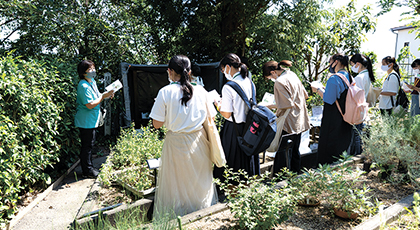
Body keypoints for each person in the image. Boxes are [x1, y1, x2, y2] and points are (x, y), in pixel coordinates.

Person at [150, 55, 217, 220]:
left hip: (175, 143)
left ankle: (177, 218)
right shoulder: (201, 90)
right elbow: (212, 118)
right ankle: (202, 216)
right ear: (190, 71)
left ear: (170, 72)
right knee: (199, 181)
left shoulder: (165, 92)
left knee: (176, 183)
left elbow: (156, 124)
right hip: (199, 141)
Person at [213, 53, 260, 186]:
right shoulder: (250, 82)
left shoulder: (229, 86)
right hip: (250, 128)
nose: (223, 73)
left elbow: (227, 114)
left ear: (228, 67)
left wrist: (218, 104)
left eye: (223, 70)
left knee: (231, 163)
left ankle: (232, 192)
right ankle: (248, 187)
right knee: (247, 161)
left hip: (234, 130)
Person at [262, 60, 310, 174]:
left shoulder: (279, 81)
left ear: (273, 72)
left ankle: (280, 180)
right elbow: (305, 95)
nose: (270, 79)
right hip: (300, 118)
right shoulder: (292, 74)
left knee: (282, 152)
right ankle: (296, 175)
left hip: (288, 121)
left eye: (269, 77)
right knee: (294, 151)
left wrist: (268, 106)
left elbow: (285, 105)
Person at [74, 60, 114, 178]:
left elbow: (97, 96)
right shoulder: (83, 85)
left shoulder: (92, 82)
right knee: (87, 146)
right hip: (86, 121)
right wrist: (103, 96)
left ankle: (89, 167)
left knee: (90, 145)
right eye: (90, 69)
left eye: (93, 68)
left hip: (92, 119)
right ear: (83, 73)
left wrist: (106, 94)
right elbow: (90, 104)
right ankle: (87, 171)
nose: (93, 71)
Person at [311, 53, 353, 164]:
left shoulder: (334, 78)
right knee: (341, 150)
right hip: (346, 117)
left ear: (336, 62)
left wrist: (318, 89)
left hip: (333, 121)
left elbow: (328, 99)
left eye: (330, 61)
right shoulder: (349, 76)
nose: (329, 64)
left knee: (328, 151)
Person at [349, 54, 376, 155]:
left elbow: (356, 95)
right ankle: (358, 154)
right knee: (358, 133)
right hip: (362, 107)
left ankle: (356, 154)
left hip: (357, 108)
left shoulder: (359, 77)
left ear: (358, 64)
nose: (352, 67)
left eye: (352, 65)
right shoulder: (367, 75)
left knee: (355, 134)